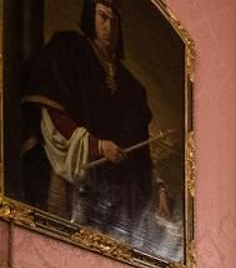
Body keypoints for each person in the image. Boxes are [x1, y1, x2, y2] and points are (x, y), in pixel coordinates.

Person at [19, 0, 171, 241]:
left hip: (119, 196)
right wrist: (98, 145)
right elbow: (52, 112)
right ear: (90, 17)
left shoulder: (132, 87)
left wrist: (158, 186)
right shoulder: (69, 51)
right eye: (102, 17)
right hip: (81, 183)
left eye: (113, 20)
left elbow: (142, 151)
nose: (108, 26)